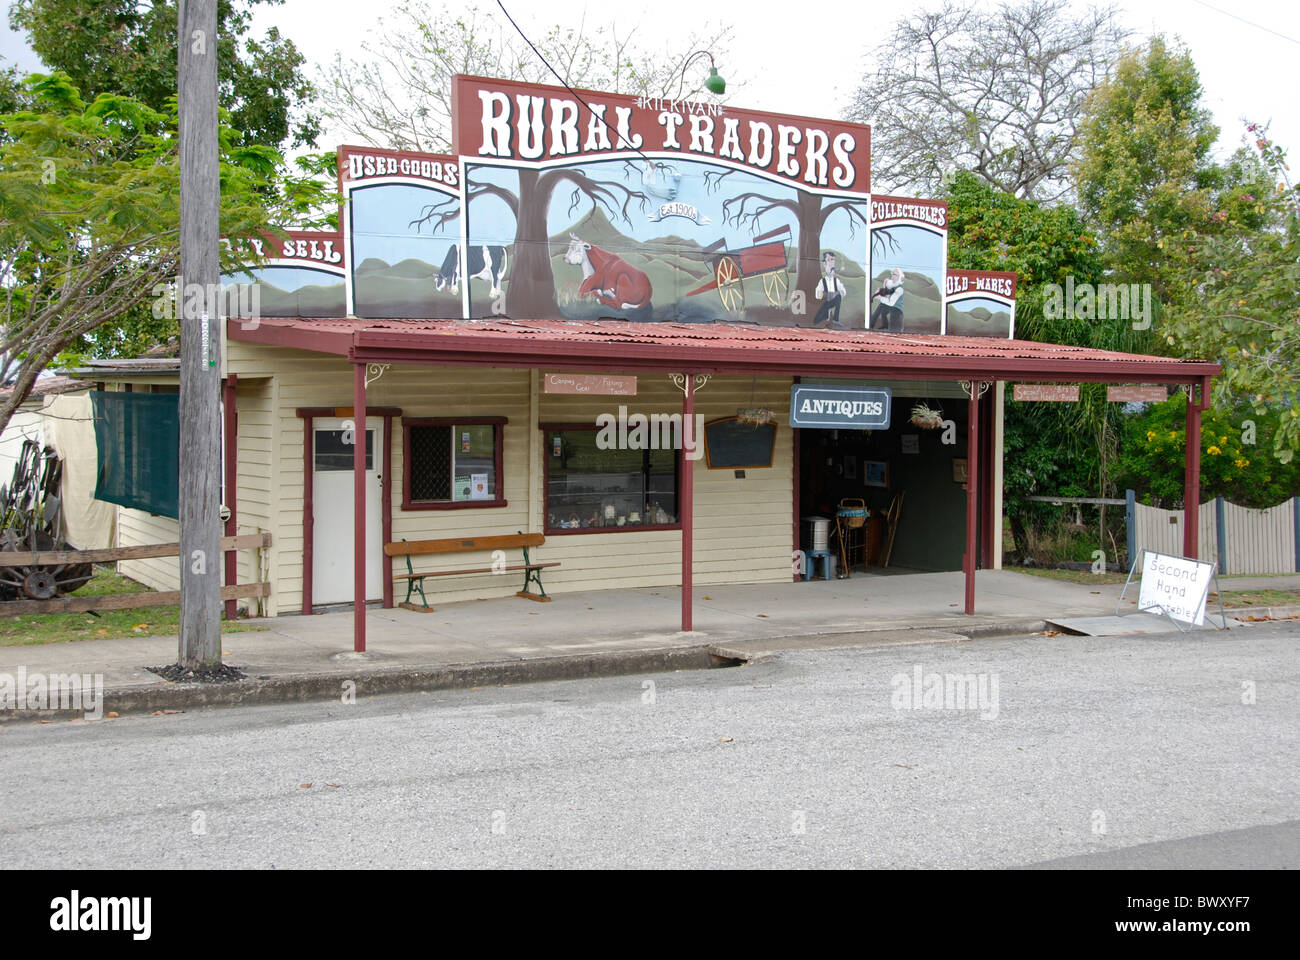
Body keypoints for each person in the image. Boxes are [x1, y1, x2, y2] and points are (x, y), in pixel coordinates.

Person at [812, 252, 847, 328]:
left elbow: (843, 291)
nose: (831, 263)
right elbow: (817, 294)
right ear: (824, 263)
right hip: (826, 303)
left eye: (832, 260)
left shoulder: (836, 281)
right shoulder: (823, 281)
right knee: (817, 320)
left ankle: (835, 319)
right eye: (829, 260)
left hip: (834, 301)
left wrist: (838, 292)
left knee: (838, 297)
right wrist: (824, 294)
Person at [870, 266, 905, 330]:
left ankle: (873, 325)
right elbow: (887, 296)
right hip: (891, 309)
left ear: (900, 277)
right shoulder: (892, 284)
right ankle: (872, 325)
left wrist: (880, 297)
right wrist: (882, 290)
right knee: (881, 307)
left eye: (895, 274)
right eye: (892, 274)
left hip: (896, 312)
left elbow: (891, 302)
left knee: (895, 334)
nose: (892, 276)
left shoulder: (899, 289)